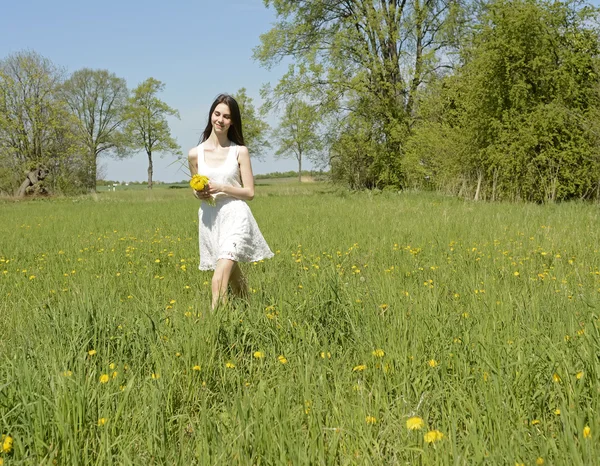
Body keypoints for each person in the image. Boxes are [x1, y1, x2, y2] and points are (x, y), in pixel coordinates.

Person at [188, 94, 274, 309]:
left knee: (219, 279)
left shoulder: (239, 151)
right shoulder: (194, 154)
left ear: (232, 121)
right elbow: (195, 190)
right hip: (210, 219)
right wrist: (200, 194)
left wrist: (223, 187)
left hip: (236, 217)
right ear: (211, 115)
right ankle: (250, 312)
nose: (220, 119)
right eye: (217, 114)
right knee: (236, 281)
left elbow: (250, 192)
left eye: (226, 116)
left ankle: (217, 328)